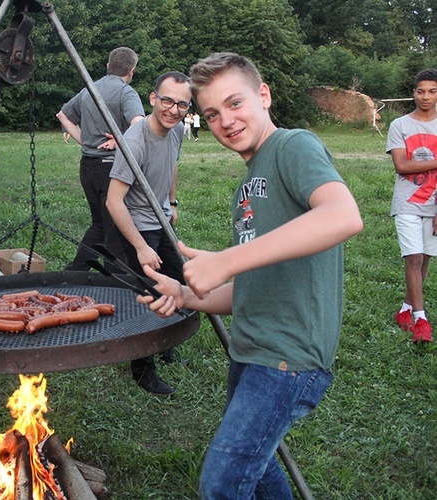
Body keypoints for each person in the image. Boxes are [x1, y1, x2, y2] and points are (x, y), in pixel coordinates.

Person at [137, 53, 363, 496]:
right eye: (212, 114)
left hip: (287, 357)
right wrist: (186, 294)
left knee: (221, 483)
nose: (226, 121)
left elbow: (344, 215)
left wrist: (225, 260)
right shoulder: (249, 183)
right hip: (251, 349)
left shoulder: (293, 145)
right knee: (256, 472)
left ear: (264, 95)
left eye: (235, 103)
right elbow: (247, 287)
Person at [107, 71, 191, 395]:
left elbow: (173, 164)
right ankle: (143, 370)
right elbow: (114, 201)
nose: (173, 109)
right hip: (138, 225)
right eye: (167, 100)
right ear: (153, 98)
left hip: (162, 218)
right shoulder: (134, 141)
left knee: (180, 281)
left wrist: (171, 201)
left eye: (182, 104)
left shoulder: (178, 129)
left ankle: (166, 342)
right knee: (149, 297)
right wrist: (141, 247)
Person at [57, 47, 145, 273]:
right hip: (110, 169)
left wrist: (84, 141)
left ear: (108, 66)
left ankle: (74, 273)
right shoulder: (127, 93)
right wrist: (120, 139)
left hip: (87, 167)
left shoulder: (89, 89)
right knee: (114, 229)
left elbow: (62, 115)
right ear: (131, 71)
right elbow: (140, 125)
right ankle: (115, 282)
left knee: (99, 224)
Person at [386, 68, 437, 343]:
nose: (425, 97)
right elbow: (402, 165)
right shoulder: (400, 125)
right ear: (413, 92)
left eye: (432, 91)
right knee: (413, 257)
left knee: (426, 258)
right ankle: (421, 319)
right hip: (407, 202)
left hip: (435, 203)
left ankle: (405, 310)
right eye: (420, 91)